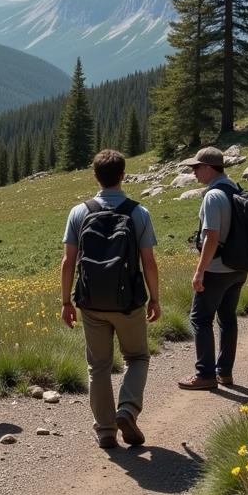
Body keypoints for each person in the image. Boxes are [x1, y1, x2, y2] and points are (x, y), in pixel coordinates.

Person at [60, 149, 161, 449]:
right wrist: (155, 299)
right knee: (138, 357)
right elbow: (149, 263)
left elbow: (68, 262)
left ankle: (105, 431)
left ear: (96, 177)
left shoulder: (79, 212)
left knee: (98, 366)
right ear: (122, 175)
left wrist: (66, 302)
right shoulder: (138, 213)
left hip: (90, 303)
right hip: (129, 302)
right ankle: (127, 410)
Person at [176, 147, 248, 391]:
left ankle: (205, 375)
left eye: (196, 167)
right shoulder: (234, 188)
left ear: (209, 168)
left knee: (200, 318)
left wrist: (199, 271)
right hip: (238, 267)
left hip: (217, 269)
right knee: (227, 318)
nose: (194, 172)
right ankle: (224, 373)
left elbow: (211, 237)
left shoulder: (213, 196)